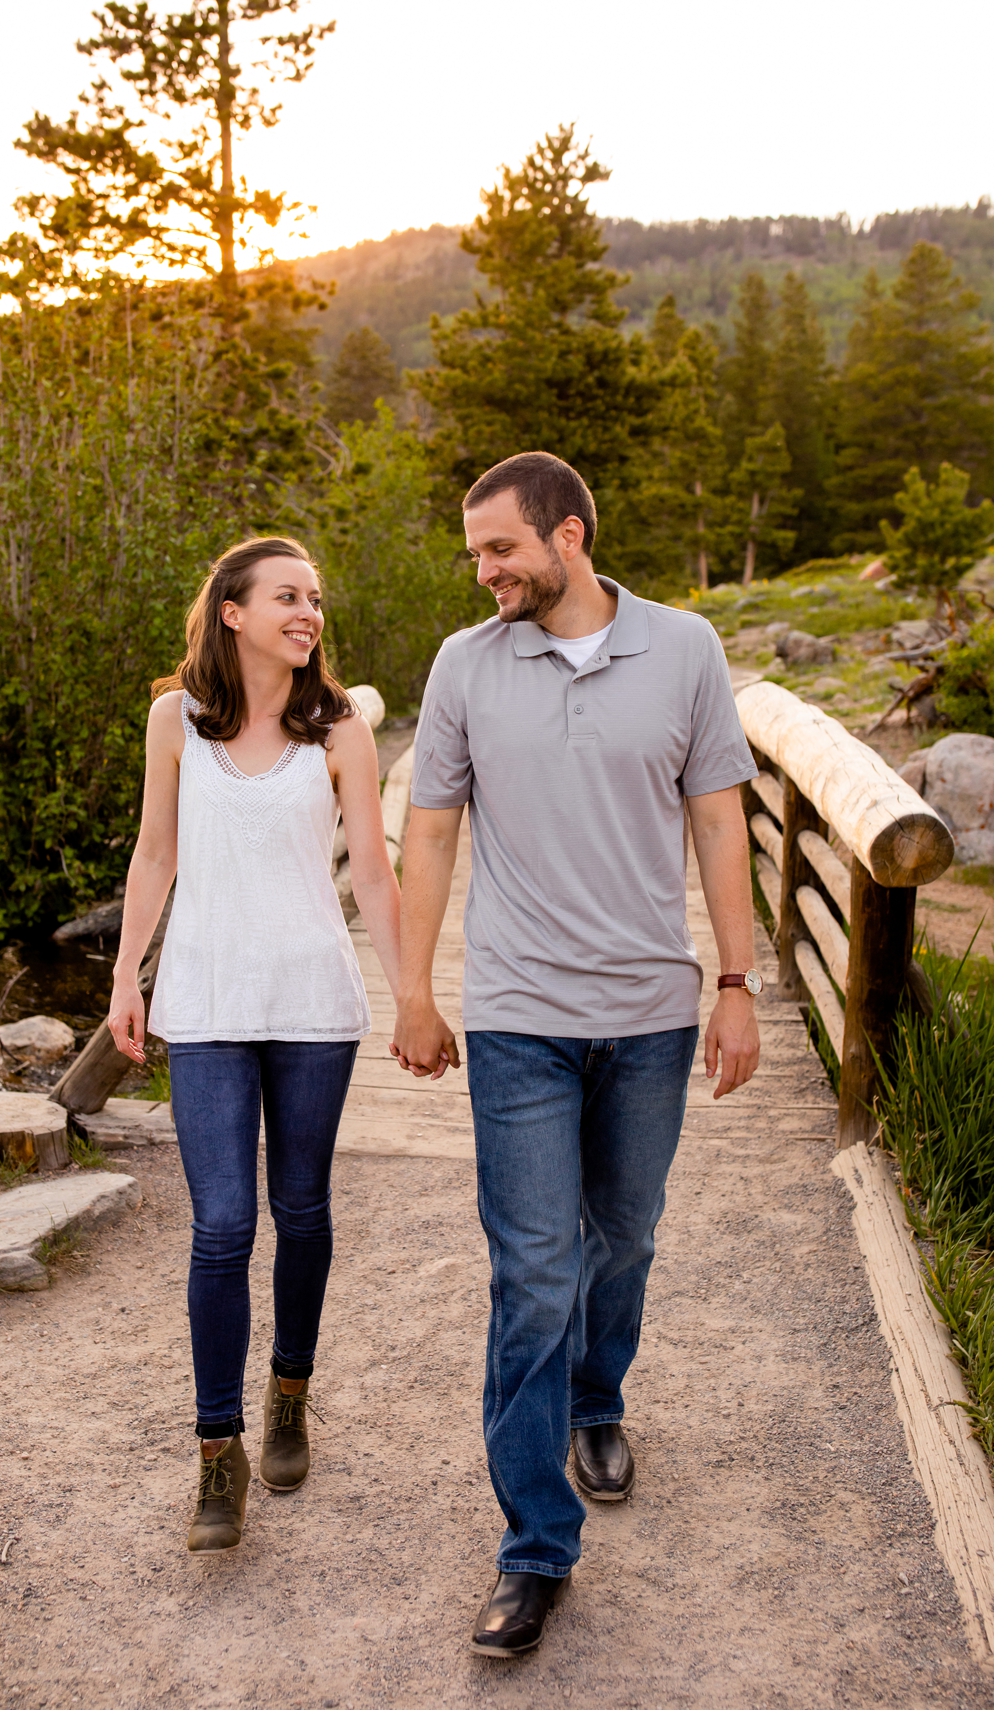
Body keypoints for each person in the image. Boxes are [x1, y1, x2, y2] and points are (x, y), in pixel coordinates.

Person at [391, 451, 760, 1658]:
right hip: (516, 1018)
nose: (485, 572)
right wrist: (412, 987)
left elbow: (718, 819)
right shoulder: (463, 665)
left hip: (652, 1013)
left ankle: (596, 1399)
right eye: (475, 555)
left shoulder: (687, 649)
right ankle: (534, 1547)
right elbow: (431, 833)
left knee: (626, 1236)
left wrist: (738, 984)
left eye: (500, 549)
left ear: (569, 535)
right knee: (535, 1267)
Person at [104, 535, 407, 1554]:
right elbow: (156, 850)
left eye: (315, 597)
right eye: (287, 596)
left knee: (303, 1207)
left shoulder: (341, 728)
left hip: (314, 1002)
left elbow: (371, 865)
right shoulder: (174, 720)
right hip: (205, 1001)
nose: (308, 611)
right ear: (232, 611)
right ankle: (216, 1452)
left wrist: (412, 992)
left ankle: (290, 1391)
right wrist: (124, 973)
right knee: (224, 1225)